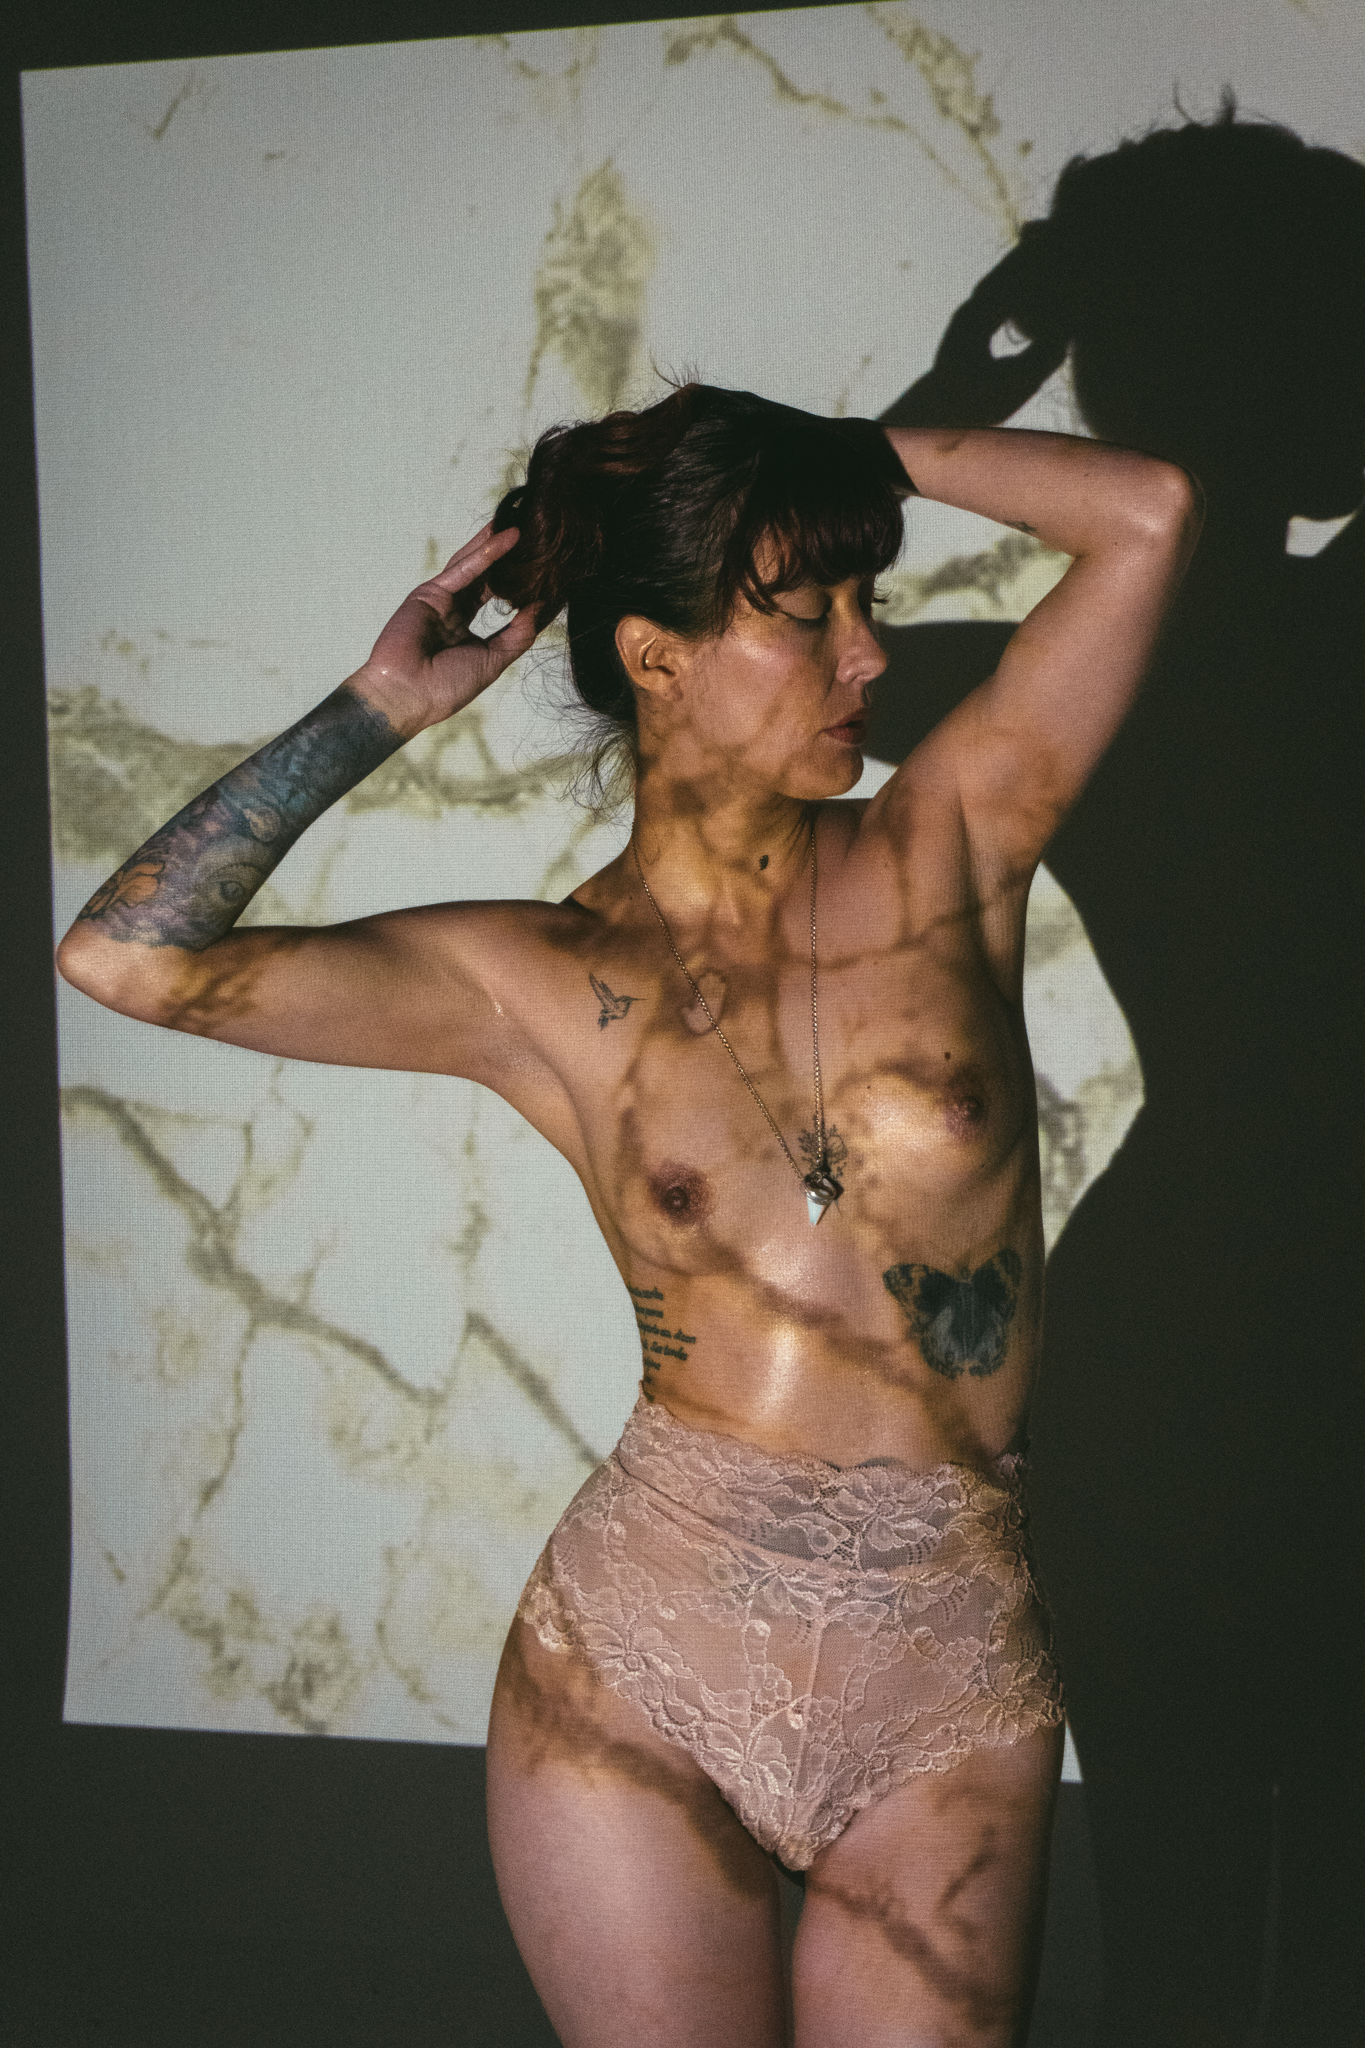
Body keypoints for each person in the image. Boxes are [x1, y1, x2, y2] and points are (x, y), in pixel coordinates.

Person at [57, 381, 1198, 2048]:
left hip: (947, 1656)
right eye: (806, 614)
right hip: (648, 1656)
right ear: (657, 655)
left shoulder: (951, 843)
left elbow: (1148, 513)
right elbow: (126, 957)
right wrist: (380, 707)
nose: (870, 654)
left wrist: (820, 461)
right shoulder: (535, 977)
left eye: (867, 602)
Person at [869, 109, 1365, 2048]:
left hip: (1174, 1341)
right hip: (1249, 1341)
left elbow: (730, 622)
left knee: (1175, 1925)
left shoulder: (1062, 685)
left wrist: (949, 401)